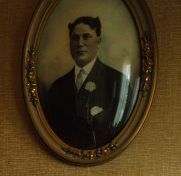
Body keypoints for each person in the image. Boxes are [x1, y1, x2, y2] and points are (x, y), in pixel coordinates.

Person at [46, 16, 132, 150]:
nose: (80, 43)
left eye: (86, 37)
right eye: (75, 38)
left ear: (98, 41)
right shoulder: (57, 87)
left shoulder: (116, 81)